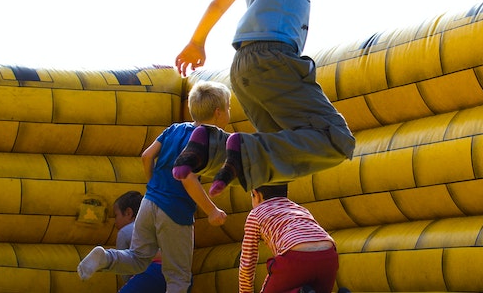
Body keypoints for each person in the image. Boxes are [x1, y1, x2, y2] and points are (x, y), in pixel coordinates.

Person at [173, 0, 355, 197]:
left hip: (243, 66)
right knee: (335, 140)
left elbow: (217, 4)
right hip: (273, 59)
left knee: (277, 156)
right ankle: (241, 151)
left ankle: (212, 150)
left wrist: (196, 42)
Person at [77, 81, 231, 293]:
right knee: (178, 277)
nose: (229, 112)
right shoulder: (205, 140)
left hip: (149, 202)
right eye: (228, 108)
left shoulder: (174, 129)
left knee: (138, 258)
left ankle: (105, 257)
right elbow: (187, 178)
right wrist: (211, 210)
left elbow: (146, 156)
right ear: (218, 113)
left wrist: (153, 186)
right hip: (175, 210)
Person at [239, 184, 339, 293]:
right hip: (329, 256)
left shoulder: (256, 214)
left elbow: (248, 261)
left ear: (256, 195)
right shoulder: (300, 209)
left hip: (295, 257)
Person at [111, 190, 165, 293]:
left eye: (116, 215)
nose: (115, 222)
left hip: (152, 272)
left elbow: (123, 267)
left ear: (128, 213)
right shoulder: (156, 225)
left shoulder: (124, 232)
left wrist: (130, 284)